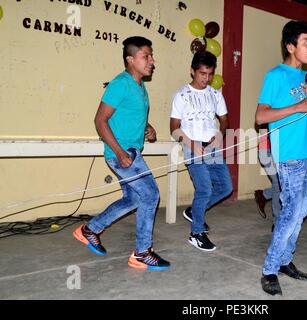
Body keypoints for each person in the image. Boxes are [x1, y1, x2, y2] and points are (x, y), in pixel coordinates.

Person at [73, 36, 170, 271]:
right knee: (150, 195)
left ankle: (90, 229)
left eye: (151, 55)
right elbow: (100, 120)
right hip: (122, 153)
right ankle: (142, 252)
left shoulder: (139, 86)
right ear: (130, 59)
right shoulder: (120, 84)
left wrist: (148, 127)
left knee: (134, 198)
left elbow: (129, 116)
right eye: (146, 56)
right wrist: (119, 152)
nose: (152, 61)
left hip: (130, 150)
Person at [255, 20, 307, 296]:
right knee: (291, 212)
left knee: (301, 212)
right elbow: (260, 116)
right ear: (290, 46)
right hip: (289, 155)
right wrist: (299, 105)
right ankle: (269, 269)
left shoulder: (305, 79)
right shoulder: (275, 76)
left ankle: (285, 260)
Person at [170, 50, 233, 252]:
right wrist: (191, 143)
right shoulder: (181, 95)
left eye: (210, 74)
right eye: (202, 74)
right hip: (192, 146)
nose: (206, 79)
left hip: (212, 145)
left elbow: (224, 120)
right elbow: (173, 127)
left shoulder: (216, 95)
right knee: (204, 188)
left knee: (225, 187)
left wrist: (220, 136)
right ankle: (196, 233)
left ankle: (194, 211)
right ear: (192, 71)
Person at [254, 125, 281, 223]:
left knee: (280, 184)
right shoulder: (269, 110)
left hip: (280, 150)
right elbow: (262, 125)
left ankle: (263, 195)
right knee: (278, 184)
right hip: (266, 150)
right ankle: (277, 221)